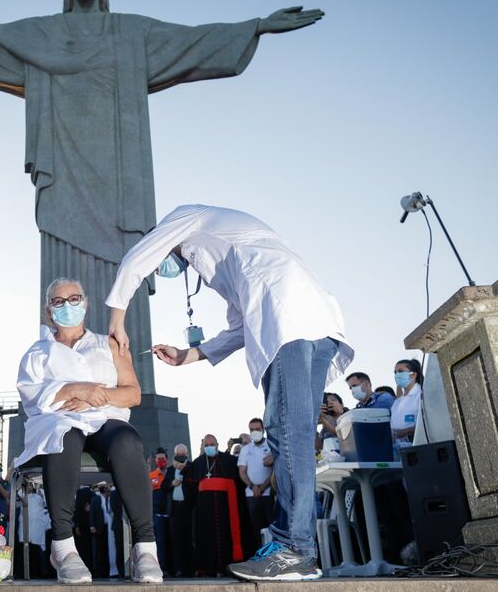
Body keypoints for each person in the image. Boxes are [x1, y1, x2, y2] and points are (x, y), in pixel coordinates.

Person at [0, 0, 324, 387]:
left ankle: (124, 379)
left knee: (129, 251)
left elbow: (193, 41)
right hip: (62, 162)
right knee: (66, 252)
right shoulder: (40, 35)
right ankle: (64, 374)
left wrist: (257, 27)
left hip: (123, 170)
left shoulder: (131, 32)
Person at [105, 204, 353, 581]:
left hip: (285, 313)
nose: (167, 268)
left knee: (286, 433)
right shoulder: (230, 249)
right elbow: (239, 326)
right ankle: (299, 549)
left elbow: (136, 258)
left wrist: (117, 322)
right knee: (297, 436)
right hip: (314, 319)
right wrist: (190, 355)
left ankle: (293, 549)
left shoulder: (186, 218)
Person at [16, 278, 163, 584]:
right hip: (59, 421)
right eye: (58, 301)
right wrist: (74, 388)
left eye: (73, 298)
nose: (66, 305)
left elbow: (132, 393)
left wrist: (96, 395)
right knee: (65, 435)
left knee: (126, 440)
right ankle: (64, 547)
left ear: (85, 302)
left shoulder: (108, 343)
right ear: (48, 310)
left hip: (104, 417)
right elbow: (31, 395)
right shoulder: (38, 352)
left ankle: (145, 549)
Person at [186, 434, 246, 577]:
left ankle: (224, 567)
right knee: (205, 535)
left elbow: (240, 474)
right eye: (206, 445)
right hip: (204, 507)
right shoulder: (199, 462)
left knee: (224, 534)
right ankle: (206, 568)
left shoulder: (228, 459)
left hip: (224, 504)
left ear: (217, 445)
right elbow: (191, 485)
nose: (209, 447)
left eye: (211, 444)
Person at [238, 419, 274, 550]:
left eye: (257, 429)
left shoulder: (271, 445)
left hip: (269, 494)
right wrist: (253, 487)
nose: (255, 432)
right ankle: (262, 558)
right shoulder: (245, 449)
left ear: (263, 429)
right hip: (251, 495)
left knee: (272, 527)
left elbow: (275, 471)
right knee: (257, 530)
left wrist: (263, 487)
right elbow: (242, 472)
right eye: (252, 429)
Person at [167, 444, 193, 578]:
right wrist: (172, 483)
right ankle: (179, 569)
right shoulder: (170, 470)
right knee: (176, 540)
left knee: (189, 538)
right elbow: (163, 486)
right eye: (179, 454)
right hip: (175, 509)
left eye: (183, 455)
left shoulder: (191, 467)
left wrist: (183, 469)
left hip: (188, 509)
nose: (181, 457)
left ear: (187, 454)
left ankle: (191, 568)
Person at [391, 359, 423, 450]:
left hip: (417, 448)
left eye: (400, 371)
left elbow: (429, 424)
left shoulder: (421, 395)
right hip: (398, 450)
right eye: (395, 372)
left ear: (413, 375)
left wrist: (404, 432)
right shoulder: (397, 403)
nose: (397, 375)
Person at [149, 447, 171, 575]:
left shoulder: (171, 474)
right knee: (160, 542)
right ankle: (162, 568)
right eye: (159, 459)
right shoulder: (151, 476)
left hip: (171, 513)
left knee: (172, 541)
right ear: (155, 460)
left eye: (163, 459)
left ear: (167, 460)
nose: (161, 461)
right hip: (157, 514)